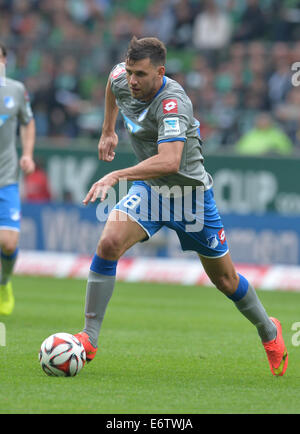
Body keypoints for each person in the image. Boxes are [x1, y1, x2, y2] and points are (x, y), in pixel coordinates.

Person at [75, 37, 288, 377]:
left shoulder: (173, 102)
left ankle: (269, 331)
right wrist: (107, 130)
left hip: (190, 197)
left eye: (141, 74)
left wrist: (117, 174)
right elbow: (112, 85)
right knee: (109, 243)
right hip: (151, 191)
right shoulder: (121, 78)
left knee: (226, 280)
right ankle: (89, 338)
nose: (132, 81)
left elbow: (171, 161)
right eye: (130, 72)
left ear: (160, 72)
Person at [0, 42, 36, 315]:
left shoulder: (15, 90)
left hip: (7, 175)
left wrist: (27, 153)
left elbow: (28, 121)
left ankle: (4, 283)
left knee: (9, 243)